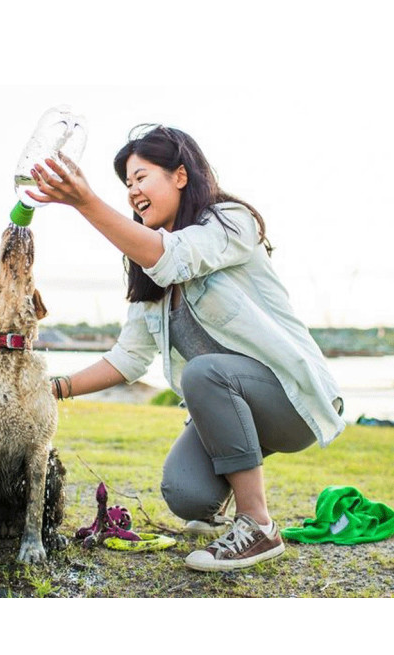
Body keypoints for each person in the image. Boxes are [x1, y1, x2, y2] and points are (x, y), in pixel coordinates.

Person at [27, 124, 345, 573]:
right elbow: (128, 358)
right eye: (127, 184)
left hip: (292, 401)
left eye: (141, 177)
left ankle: (258, 526)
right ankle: (233, 482)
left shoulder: (231, 222)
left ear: (180, 175)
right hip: (238, 406)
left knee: (203, 372)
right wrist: (51, 388)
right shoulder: (148, 270)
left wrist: (85, 202)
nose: (132, 191)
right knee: (186, 495)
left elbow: (173, 255)